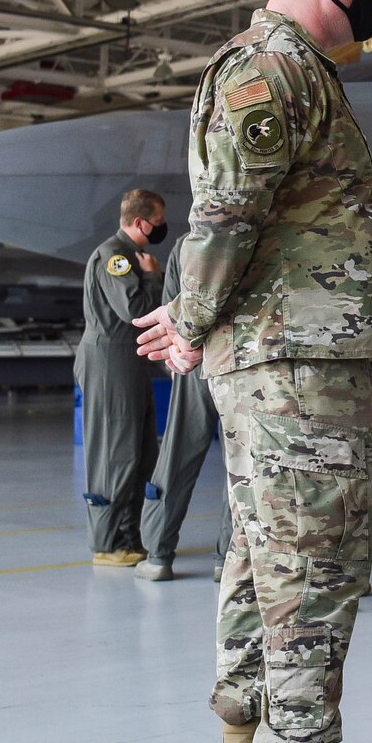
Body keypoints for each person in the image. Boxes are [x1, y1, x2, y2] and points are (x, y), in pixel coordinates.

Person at [134, 0, 372, 743]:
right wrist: (189, 315)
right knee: (313, 568)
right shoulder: (271, 69)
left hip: (287, 361)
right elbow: (225, 216)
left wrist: (195, 318)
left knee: (263, 561)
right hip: (293, 366)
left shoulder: (298, 72)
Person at [78, 188, 166, 567]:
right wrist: (152, 279)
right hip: (110, 359)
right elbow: (136, 311)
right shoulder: (116, 258)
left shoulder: (130, 256)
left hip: (127, 359)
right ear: (140, 222)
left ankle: (130, 537)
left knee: (139, 448)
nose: (161, 228)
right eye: (158, 222)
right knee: (117, 451)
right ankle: (109, 542)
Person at [134, 233, 220, 581]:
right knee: (241, 466)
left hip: (192, 365)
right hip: (238, 367)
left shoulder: (185, 245)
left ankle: (158, 555)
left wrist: (180, 355)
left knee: (177, 455)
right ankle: (228, 559)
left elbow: (172, 312)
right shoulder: (257, 235)